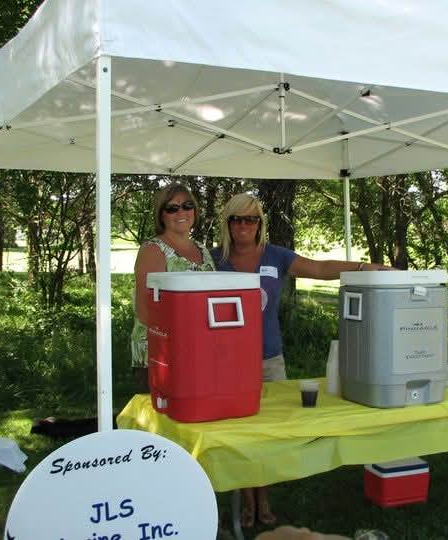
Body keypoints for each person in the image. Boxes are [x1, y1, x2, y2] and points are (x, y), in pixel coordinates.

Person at [211, 193, 395, 528]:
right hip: (224, 362)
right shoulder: (213, 259)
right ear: (228, 224)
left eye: (251, 219)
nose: (243, 225)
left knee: (269, 432)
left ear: (260, 224)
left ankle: (263, 497)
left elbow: (320, 268)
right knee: (238, 433)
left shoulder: (276, 255)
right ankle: (247, 500)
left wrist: (363, 267)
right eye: (236, 219)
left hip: (268, 358)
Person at [130, 183, 215, 388]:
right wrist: (187, 337)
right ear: (162, 215)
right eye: (172, 208)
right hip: (160, 356)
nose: (181, 212)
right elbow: (145, 310)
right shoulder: (153, 250)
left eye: (187, 205)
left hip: (198, 351)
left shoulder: (202, 250)